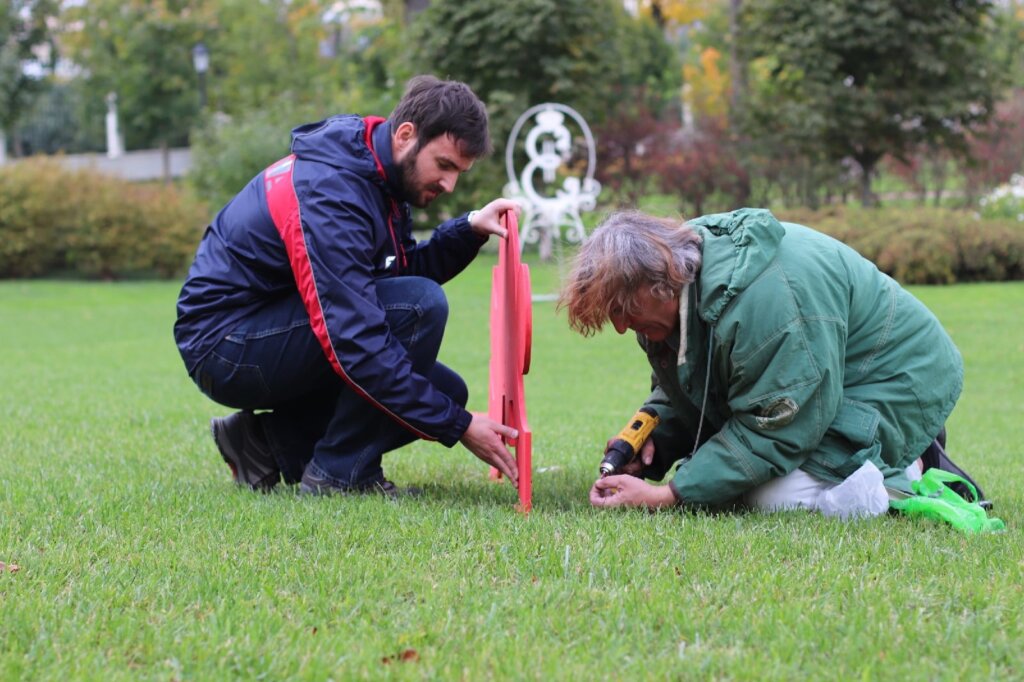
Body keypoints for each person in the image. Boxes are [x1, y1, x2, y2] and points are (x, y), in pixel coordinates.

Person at [174, 75, 520, 496]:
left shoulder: (381, 180)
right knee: (419, 309)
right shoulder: (332, 191)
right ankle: (338, 477)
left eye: (459, 173)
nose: (450, 185)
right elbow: (356, 337)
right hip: (224, 343)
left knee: (446, 390)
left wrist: (468, 230)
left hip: (264, 327)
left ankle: (263, 444)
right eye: (445, 165)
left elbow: (396, 276)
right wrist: (459, 425)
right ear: (407, 135)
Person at [559, 208, 986, 515]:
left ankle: (911, 465)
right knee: (733, 483)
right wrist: (656, 439)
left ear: (660, 283)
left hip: (893, 378)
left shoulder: (767, 307)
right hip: (818, 383)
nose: (620, 327)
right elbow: (698, 383)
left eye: (621, 310)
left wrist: (669, 495)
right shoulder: (682, 288)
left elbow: (775, 429)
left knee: (769, 496)